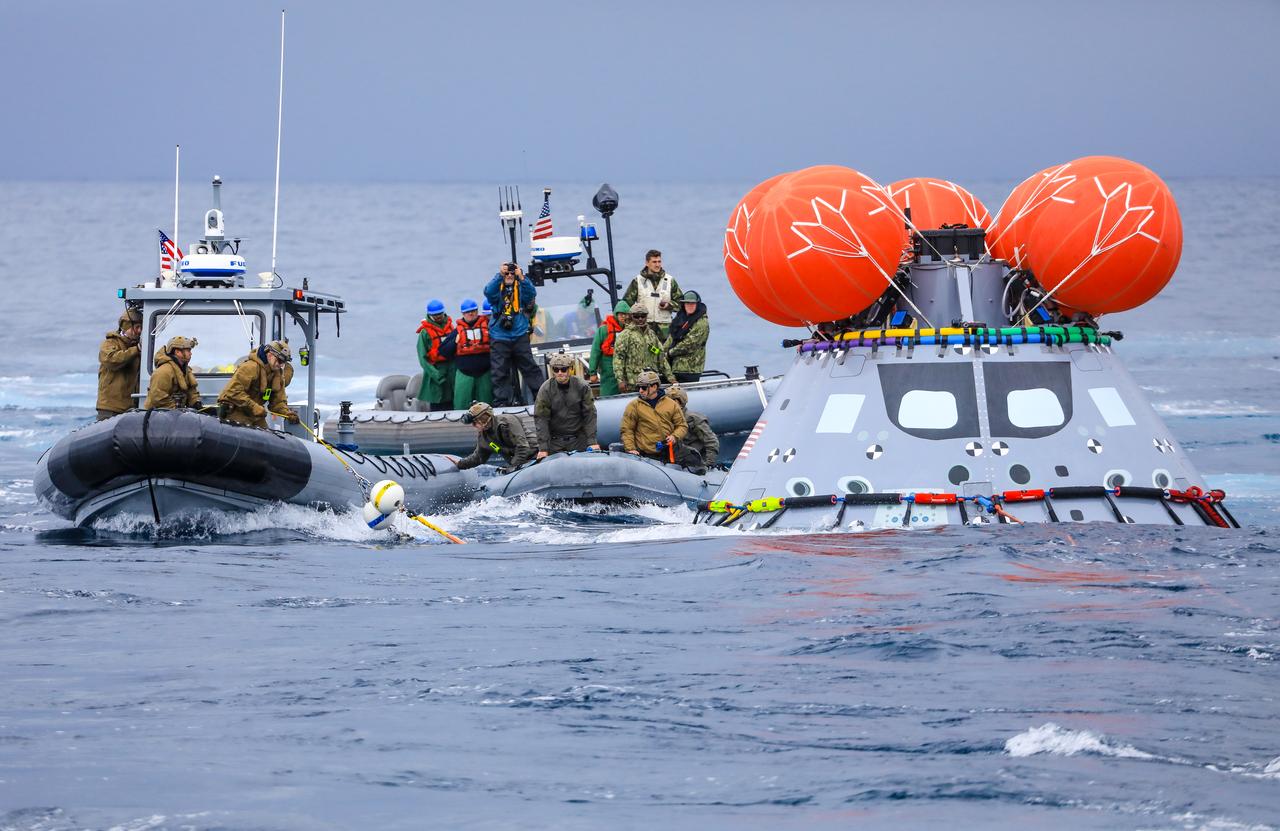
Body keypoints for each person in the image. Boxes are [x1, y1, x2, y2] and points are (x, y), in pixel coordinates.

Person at [484, 262, 544, 406]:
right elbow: (488, 292)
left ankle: (542, 397)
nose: (510, 275)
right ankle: (501, 402)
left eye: (512, 273)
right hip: (499, 336)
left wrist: (521, 277)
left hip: (519, 334)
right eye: (507, 273)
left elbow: (531, 293)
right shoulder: (497, 290)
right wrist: (500, 275)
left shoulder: (521, 289)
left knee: (530, 368)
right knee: (500, 371)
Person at [620, 370, 703, 472]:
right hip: (648, 453)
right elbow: (627, 429)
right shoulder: (633, 406)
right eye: (639, 387)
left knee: (694, 459)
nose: (640, 390)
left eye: (644, 387)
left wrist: (674, 436)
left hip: (671, 450)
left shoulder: (671, 404)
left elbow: (682, 425)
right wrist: (630, 449)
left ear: (654, 387)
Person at [217, 341, 299, 428]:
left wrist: (287, 413)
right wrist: (254, 407)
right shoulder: (250, 367)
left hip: (255, 414)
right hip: (236, 410)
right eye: (279, 360)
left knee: (266, 438)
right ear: (270, 354)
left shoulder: (277, 375)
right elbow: (233, 391)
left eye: (284, 362)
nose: (280, 365)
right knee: (243, 437)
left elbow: (277, 402)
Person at [533, 353, 599, 458]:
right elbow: (541, 418)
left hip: (578, 440)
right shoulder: (546, 389)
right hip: (555, 442)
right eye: (556, 369)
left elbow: (589, 414)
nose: (560, 373)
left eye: (563, 369)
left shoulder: (581, 386)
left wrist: (592, 441)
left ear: (570, 369)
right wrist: (543, 448)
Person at [454, 401, 535, 472]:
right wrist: (459, 464)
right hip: (519, 465)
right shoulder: (484, 438)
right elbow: (478, 458)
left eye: (475, 423)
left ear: (483, 419)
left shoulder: (508, 421)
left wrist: (513, 467)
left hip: (535, 456)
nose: (474, 426)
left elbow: (522, 447)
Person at [611, 307, 674, 393]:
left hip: (651, 382)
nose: (640, 319)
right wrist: (620, 380)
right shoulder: (625, 335)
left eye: (643, 316)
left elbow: (660, 356)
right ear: (631, 317)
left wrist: (670, 377)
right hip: (634, 383)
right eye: (636, 316)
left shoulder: (651, 334)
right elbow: (618, 359)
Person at [623, 249, 682, 339]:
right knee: (645, 352)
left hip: (665, 329)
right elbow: (626, 304)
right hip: (643, 326)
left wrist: (669, 305)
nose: (657, 264)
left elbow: (681, 303)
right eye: (654, 262)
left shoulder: (669, 280)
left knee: (663, 352)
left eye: (659, 261)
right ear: (647, 263)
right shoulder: (638, 281)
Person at [96, 308, 143, 420]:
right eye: (137, 327)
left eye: (141, 327)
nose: (140, 331)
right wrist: (136, 350)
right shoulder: (110, 343)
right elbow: (111, 360)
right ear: (126, 327)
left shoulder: (142, 347)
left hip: (132, 408)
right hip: (110, 407)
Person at [452, 298, 493, 409]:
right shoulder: (457, 331)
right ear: (463, 314)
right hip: (465, 373)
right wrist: (455, 342)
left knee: (487, 404)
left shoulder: (488, 326)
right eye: (467, 312)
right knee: (462, 403)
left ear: (477, 311)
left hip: (484, 372)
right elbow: (444, 351)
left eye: (473, 311)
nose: (471, 314)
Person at [415, 299, 455, 411]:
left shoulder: (451, 328)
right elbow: (423, 358)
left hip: (451, 370)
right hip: (435, 372)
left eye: (440, 314)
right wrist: (436, 375)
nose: (438, 317)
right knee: (437, 400)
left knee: (452, 400)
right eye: (435, 315)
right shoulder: (424, 333)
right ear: (430, 315)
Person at [666, 385, 719, 468]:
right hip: (674, 462)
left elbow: (711, 441)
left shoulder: (693, 419)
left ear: (679, 403)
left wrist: (708, 464)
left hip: (694, 462)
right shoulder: (665, 420)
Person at [664, 290, 709, 384]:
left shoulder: (701, 323)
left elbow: (689, 344)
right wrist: (661, 352)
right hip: (674, 368)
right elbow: (671, 338)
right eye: (687, 303)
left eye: (692, 303)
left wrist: (669, 353)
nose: (689, 305)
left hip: (689, 370)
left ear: (697, 304)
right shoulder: (680, 319)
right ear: (683, 305)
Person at [144, 336, 201, 410]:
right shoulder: (163, 372)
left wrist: (196, 404)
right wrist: (175, 410)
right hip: (158, 416)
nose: (190, 354)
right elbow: (158, 398)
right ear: (178, 352)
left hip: (175, 415)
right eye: (188, 350)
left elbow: (191, 391)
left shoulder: (185, 370)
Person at [588, 300, 629, 397]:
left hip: (627, 369)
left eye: (626, 314)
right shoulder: (603, 330)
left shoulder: (631, 330)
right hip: (608, 369)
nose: (624, 317)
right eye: (621, 314)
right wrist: (592, 372)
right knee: (608, 395)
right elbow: (595, 351)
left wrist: (656, 352)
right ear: (616, 314)